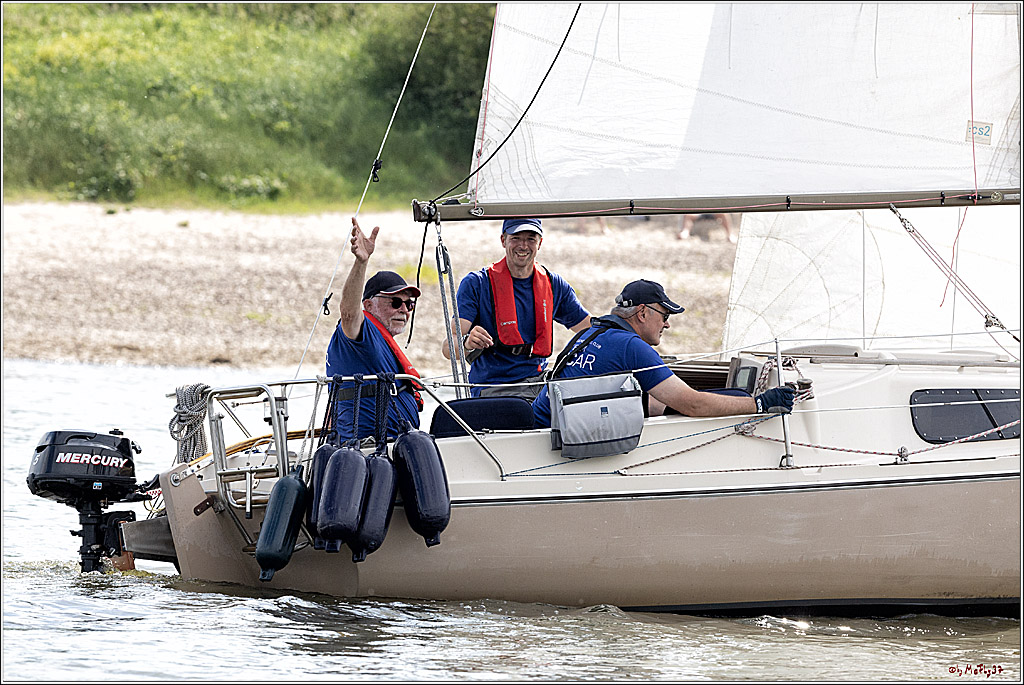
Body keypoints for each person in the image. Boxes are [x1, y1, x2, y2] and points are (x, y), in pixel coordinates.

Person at [533, 279, 795, 427]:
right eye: (665, 314)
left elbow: (653, 401)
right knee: (735, 396)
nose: (667, 323)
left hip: (540, 427)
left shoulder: (593, 332)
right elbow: (692, 404)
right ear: (643, 313)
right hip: (551, 439)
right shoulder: (630, 346)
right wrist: (759, 404)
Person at [442, 217, 591, 399]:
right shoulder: (476, 283)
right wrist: (467, 342)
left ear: (540, 243)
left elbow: (590, 328)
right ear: (503, 240)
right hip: (493, 389)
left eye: (530, 239)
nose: (523, 245)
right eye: (516, 238)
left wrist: (621, 329)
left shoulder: (554, 284)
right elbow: (448, 349)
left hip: (539, 385)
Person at [325, 217, 423, 441]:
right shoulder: (361, 331)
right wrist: (361, 262)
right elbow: (349, 312)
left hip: (396, 443)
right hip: (365, 448)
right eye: (395, 303)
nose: (404, 310)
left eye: (409, 304)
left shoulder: (383, 339)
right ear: (369, 305)